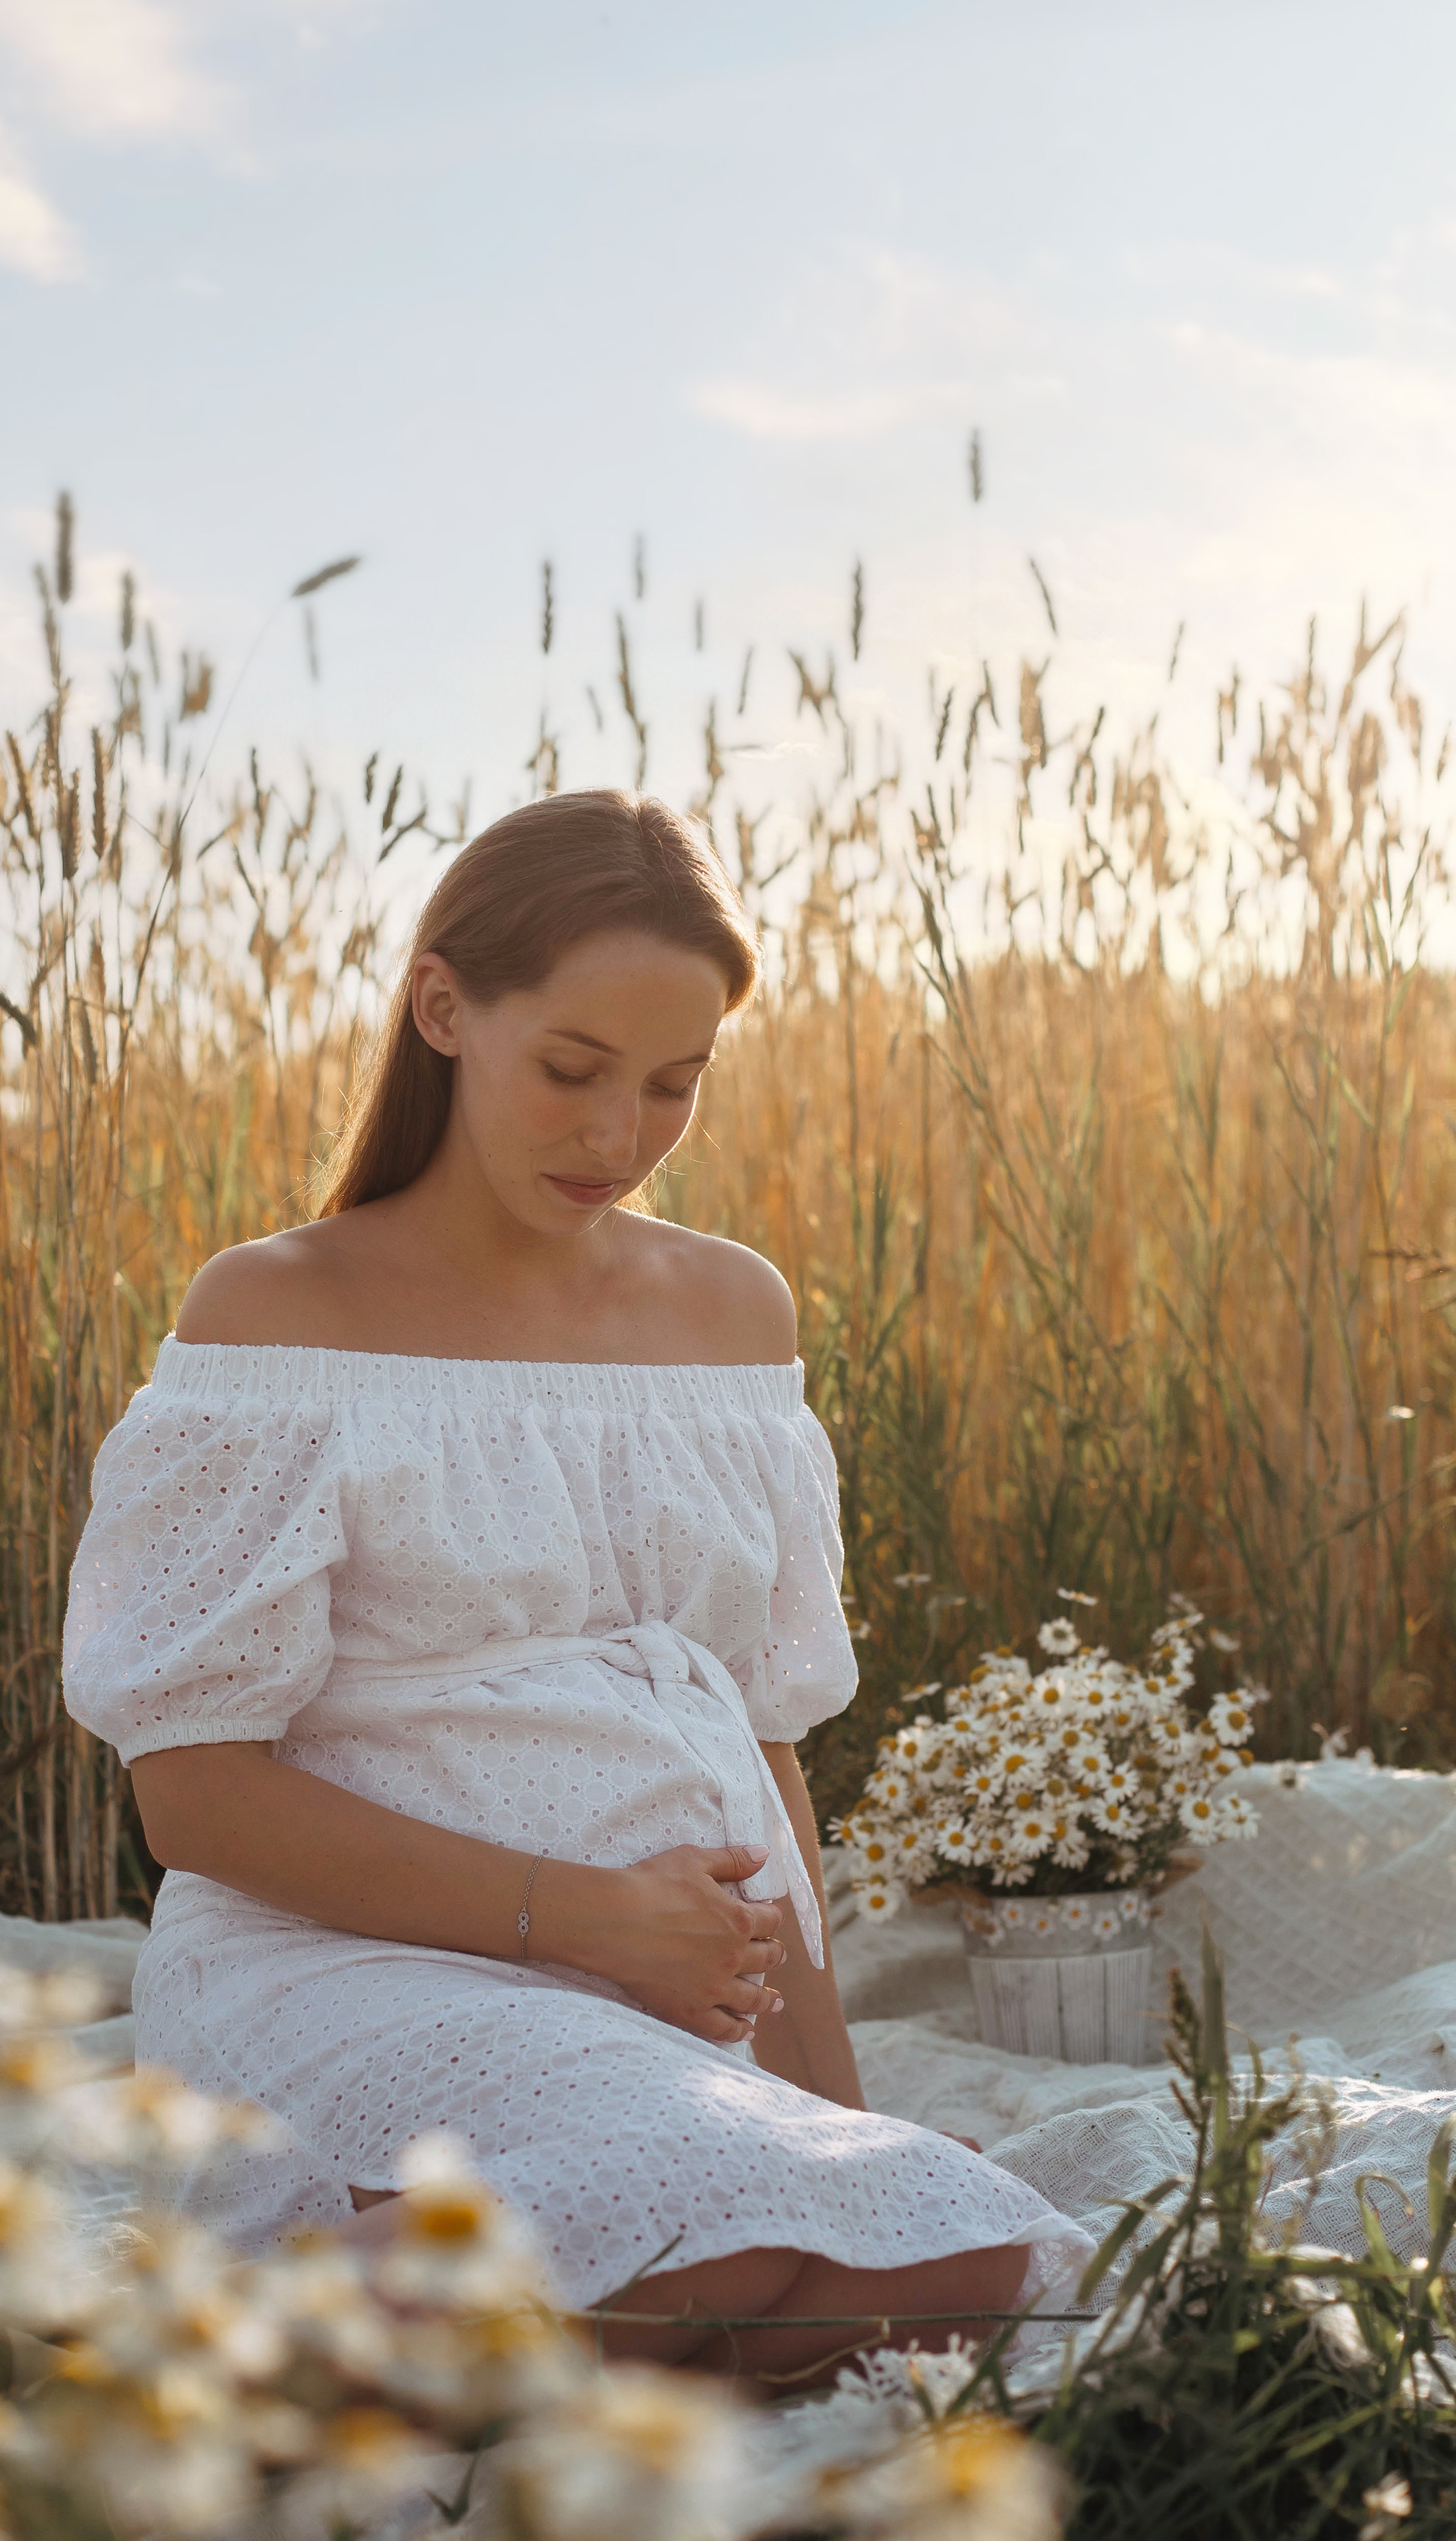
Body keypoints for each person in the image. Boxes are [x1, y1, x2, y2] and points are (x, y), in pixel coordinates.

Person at [62, 788, 1088, 2385]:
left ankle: (334, 2340)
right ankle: (139, 2372)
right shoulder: (282, 1315)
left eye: (674, 1086)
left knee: (975, 2253)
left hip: (668, 2007)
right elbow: (195, 1798)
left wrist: (831, 2124)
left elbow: (757, 1755)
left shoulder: (731, 1315)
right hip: (347, 1967)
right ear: (445, 1007)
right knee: (718, 2221)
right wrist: (585, 1919)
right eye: (572, 1072)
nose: (618, 1138)